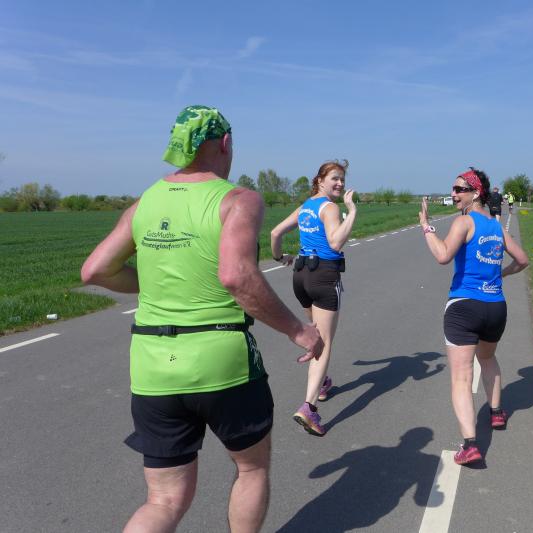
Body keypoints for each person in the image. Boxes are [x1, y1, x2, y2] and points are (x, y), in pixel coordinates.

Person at [81, 105, 323, 533]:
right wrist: (298, 330)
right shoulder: (238, 199)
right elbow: (237, 276)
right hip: (221, 360)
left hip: (153, 365)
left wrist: (155, 284)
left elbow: (95, 270)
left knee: (163, 500)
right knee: (251, 469)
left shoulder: (146, 201)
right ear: (225, 143)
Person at [418, 167, 529, 466]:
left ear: (476, 193)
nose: (453, 194)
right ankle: (496, 413)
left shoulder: (464, 222)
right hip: (495, 306)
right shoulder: (496, 227)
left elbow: (443, 255)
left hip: (464, 306)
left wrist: (426, 227)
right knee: (488, 358)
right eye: (453, 189)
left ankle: (470, 444)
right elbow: (523, 260)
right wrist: (501, 274)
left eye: (459, 189)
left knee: (462, 376)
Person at [270, 160, 357, 437]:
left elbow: (275, 233)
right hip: (324, 277)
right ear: (320, 180)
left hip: (301, 276)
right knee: (323, 343)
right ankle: (308, 407)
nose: (340, 183)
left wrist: (278, 257)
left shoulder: (306, 206)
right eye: (335, 178)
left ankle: (322, 383)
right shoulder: (330, 208)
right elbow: (335, 242)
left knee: (316, 332)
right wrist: (352, 212)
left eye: (342, 179)